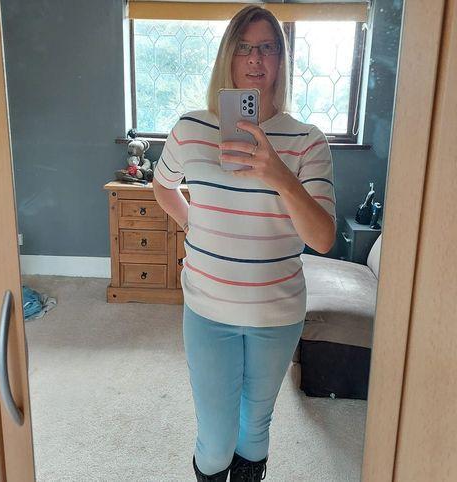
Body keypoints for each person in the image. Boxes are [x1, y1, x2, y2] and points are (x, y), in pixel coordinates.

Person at [153, 5, 337, 481]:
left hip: (276, 314)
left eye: (268, 47)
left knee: (254, 429)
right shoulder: (190, 129)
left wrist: (279, 174)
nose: (256, 58)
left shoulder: (307, 141)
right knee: (215, 441)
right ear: (228, 56)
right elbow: (162, 186)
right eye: (245, 47)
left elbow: (322, 238)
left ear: (281, 60)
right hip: (208, 309)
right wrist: (193, 224)